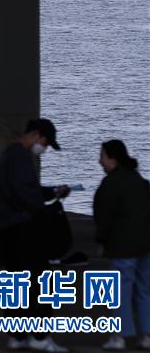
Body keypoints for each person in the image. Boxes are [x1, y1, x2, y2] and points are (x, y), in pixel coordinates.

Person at [0, 119, 72, 353]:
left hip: (9, 229)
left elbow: (26, 188)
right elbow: (25, 192)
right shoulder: (19, 156)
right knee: (40, 284)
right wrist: (45, 209)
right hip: (24, 230)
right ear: (36, 135)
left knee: (16, 284)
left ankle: (17, 337)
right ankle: (40, 337)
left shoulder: (10, 154)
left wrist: (51, 191)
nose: (44, 148)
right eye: (45, 143)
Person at [93, 139, 150, 351]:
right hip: (146, 245)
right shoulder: (140, 181)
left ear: (111, 157)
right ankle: (147, 335)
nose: (100, 161)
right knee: (144, 290)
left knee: (120, 293)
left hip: (123, 246)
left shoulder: (111, 183)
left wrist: (101, 241)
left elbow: (104, 216)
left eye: (102, 156)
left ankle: (119, 337)